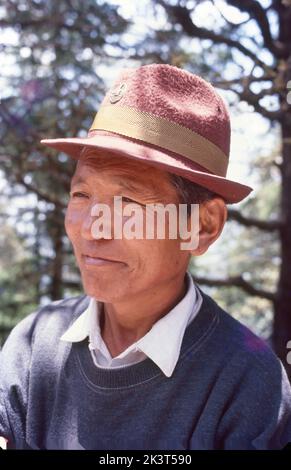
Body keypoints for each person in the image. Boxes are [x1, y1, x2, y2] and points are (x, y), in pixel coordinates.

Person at [1, 64, 291, 450]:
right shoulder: (35, 344)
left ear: (202, 226)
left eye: (128, 203)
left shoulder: (250, 384)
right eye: (81, 195)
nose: (91, 227)